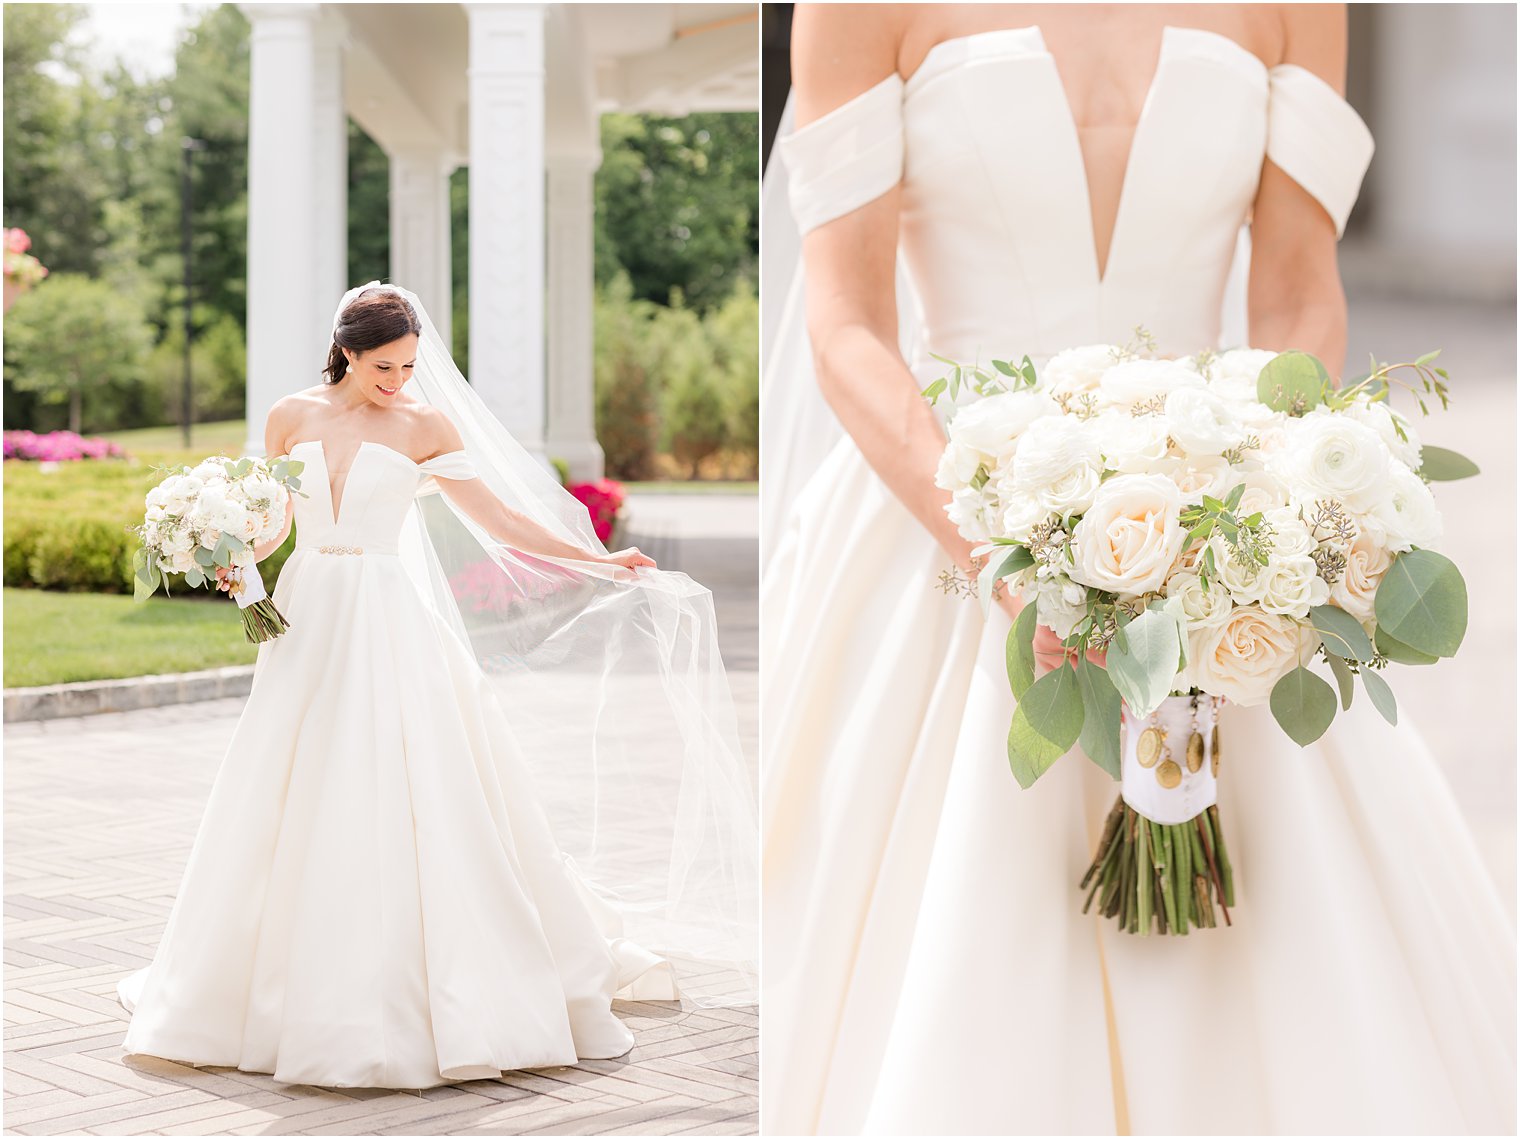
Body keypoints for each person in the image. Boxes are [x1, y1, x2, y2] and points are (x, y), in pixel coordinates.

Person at [760, 5, 1515, 1133]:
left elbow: (1297, 291)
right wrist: (1002, 556)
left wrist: (1249, 501)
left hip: (1219, 504)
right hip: (943, 517)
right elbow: (846, 325)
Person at [118, 283, 758, 1089]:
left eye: (411, 365)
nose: (399, 380)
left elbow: (498, 518)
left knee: (398, 776)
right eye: (385, 366)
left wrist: (595, 559)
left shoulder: (425, 425)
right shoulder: (291, 415)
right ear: (347, 351)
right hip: (305, 611)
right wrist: (219, 542)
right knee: (283, 777)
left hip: (385, 615)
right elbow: (277, 522)